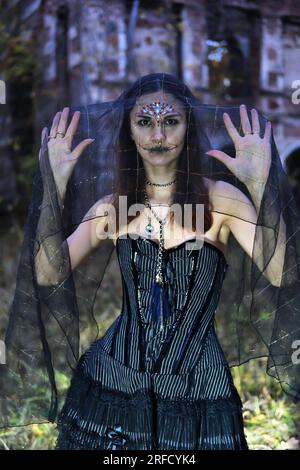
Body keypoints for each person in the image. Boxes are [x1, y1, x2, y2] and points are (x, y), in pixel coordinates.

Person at [0, 73, 299, 450]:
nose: (158, 135)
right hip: (114, 380)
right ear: (129, 131)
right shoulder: (113, 207)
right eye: (145, 122)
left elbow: (281, 272)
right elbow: (47, 273)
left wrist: (259, 186)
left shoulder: (221, 200)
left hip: (198, 386)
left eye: (170, 121)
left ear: (188, 127)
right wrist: (52, 187)